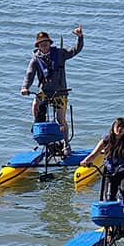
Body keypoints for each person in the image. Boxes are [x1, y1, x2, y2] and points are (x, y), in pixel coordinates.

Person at [21, 26, 84, 155]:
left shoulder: (60, 54)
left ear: (50, 43)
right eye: (41, 45)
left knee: (60, 118)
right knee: (35, 103)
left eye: (46, 44)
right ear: (38, 46)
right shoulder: (35, 59)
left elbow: (75, 50)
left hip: (60, 91)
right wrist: (25, 87)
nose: (44, 47)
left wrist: (80, 38)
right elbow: (29, 74)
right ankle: (37, 125)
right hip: (44, 91)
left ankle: (66, 144)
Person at [80, 117, 124, 231]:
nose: (120, 129)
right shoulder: (105, 141)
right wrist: (85, 161)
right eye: (118, 126)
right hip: (110, 173)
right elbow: (94, 154)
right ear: (113, 128)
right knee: (109, 196)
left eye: (123, 127)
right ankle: (111, 224)